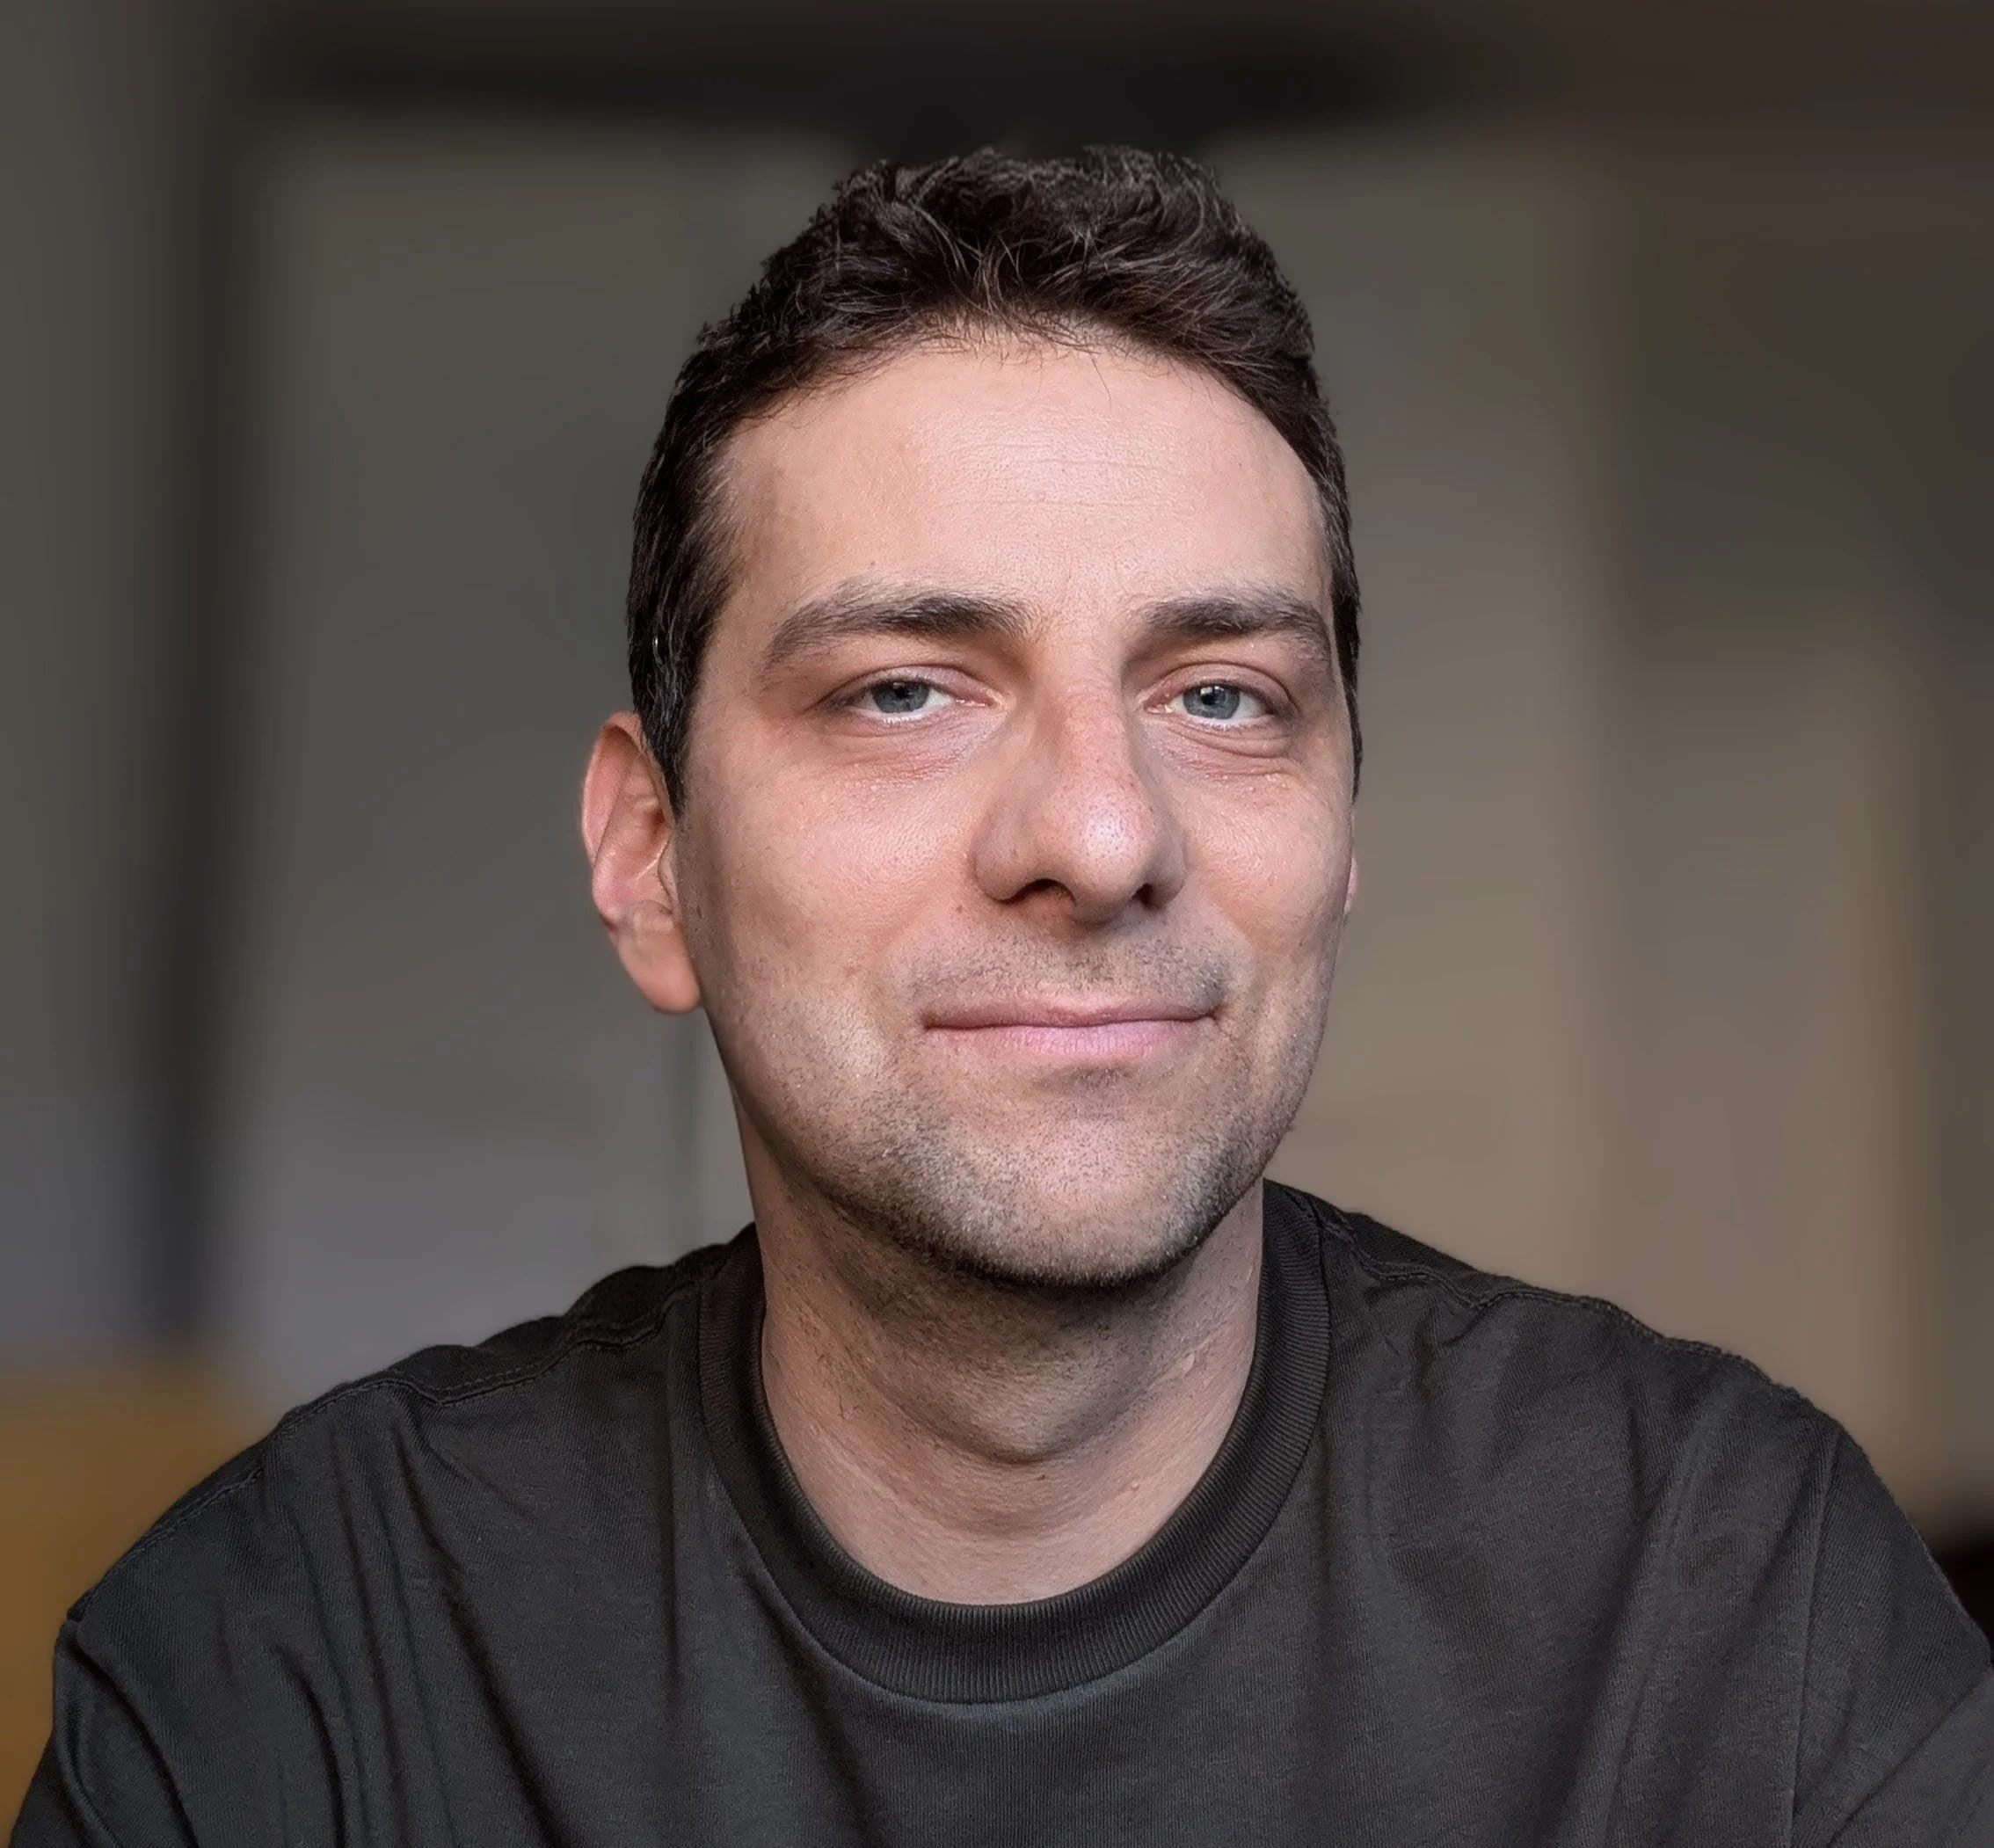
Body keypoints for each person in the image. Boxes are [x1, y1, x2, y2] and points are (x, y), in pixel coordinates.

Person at [14, 149, 1991, 1848]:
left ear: (1346, 832)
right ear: (648, 855)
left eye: (1222, 696)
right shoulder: (300, 1666)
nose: (1100, 832)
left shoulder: (1729, 1602)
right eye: (905, 690)